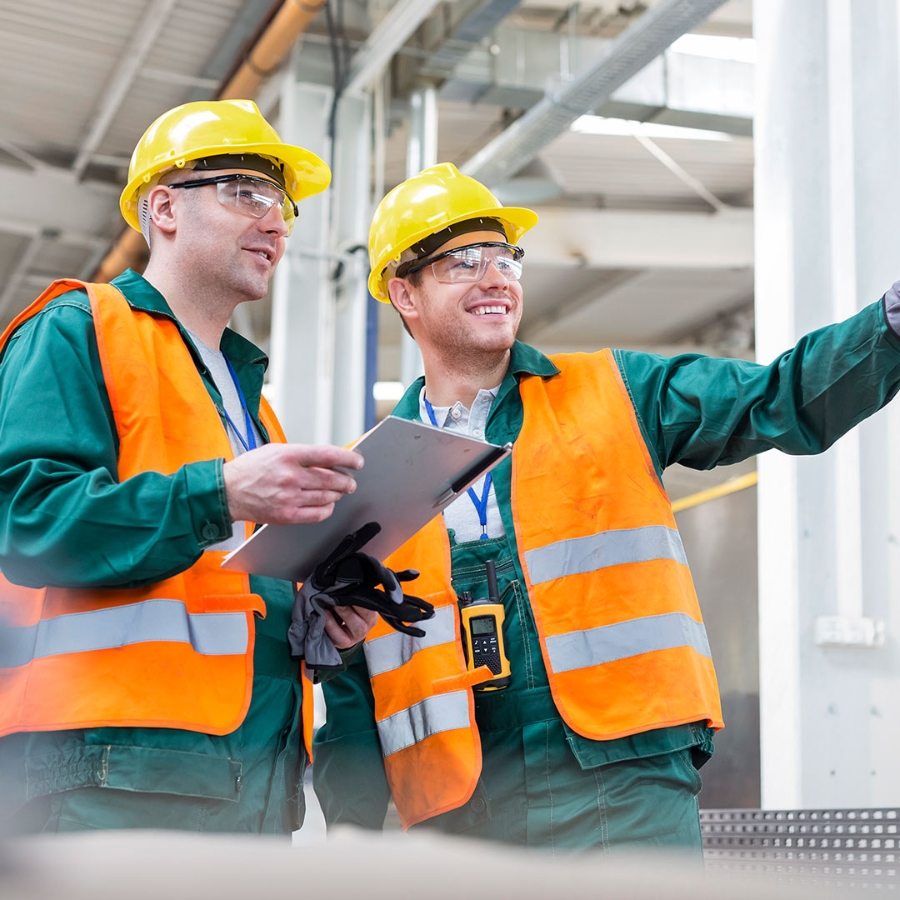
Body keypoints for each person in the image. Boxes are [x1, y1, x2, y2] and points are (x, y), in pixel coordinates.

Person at [312, 162, 900, 854]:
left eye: (505, 258)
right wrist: (348, 837)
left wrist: (888, 327)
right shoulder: (362, 479)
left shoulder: (618, 392)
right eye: (462, 262)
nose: (495, 277)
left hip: (625, 787)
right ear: (403, 293)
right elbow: (348, 690)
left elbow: (779, 398)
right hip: (460, 813)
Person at [0, 99, 379, 835]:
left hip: (250, 784)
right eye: (248, 192)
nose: (277, 223)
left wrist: (315, 618)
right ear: (164, 208)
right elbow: (25, 520)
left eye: (283, 204)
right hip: (107, 775)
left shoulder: (250, 410)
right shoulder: (79, 327)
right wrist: (221, 491)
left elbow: (216, 591)